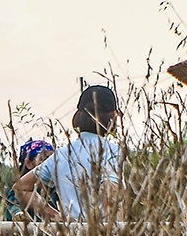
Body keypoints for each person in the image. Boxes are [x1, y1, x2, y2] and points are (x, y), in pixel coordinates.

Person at [15, 84, 121, 221]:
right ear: (112, 117)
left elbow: (20, 188)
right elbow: (110, 196)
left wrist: (55, 215)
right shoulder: (112, 151)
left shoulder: (62, 154)